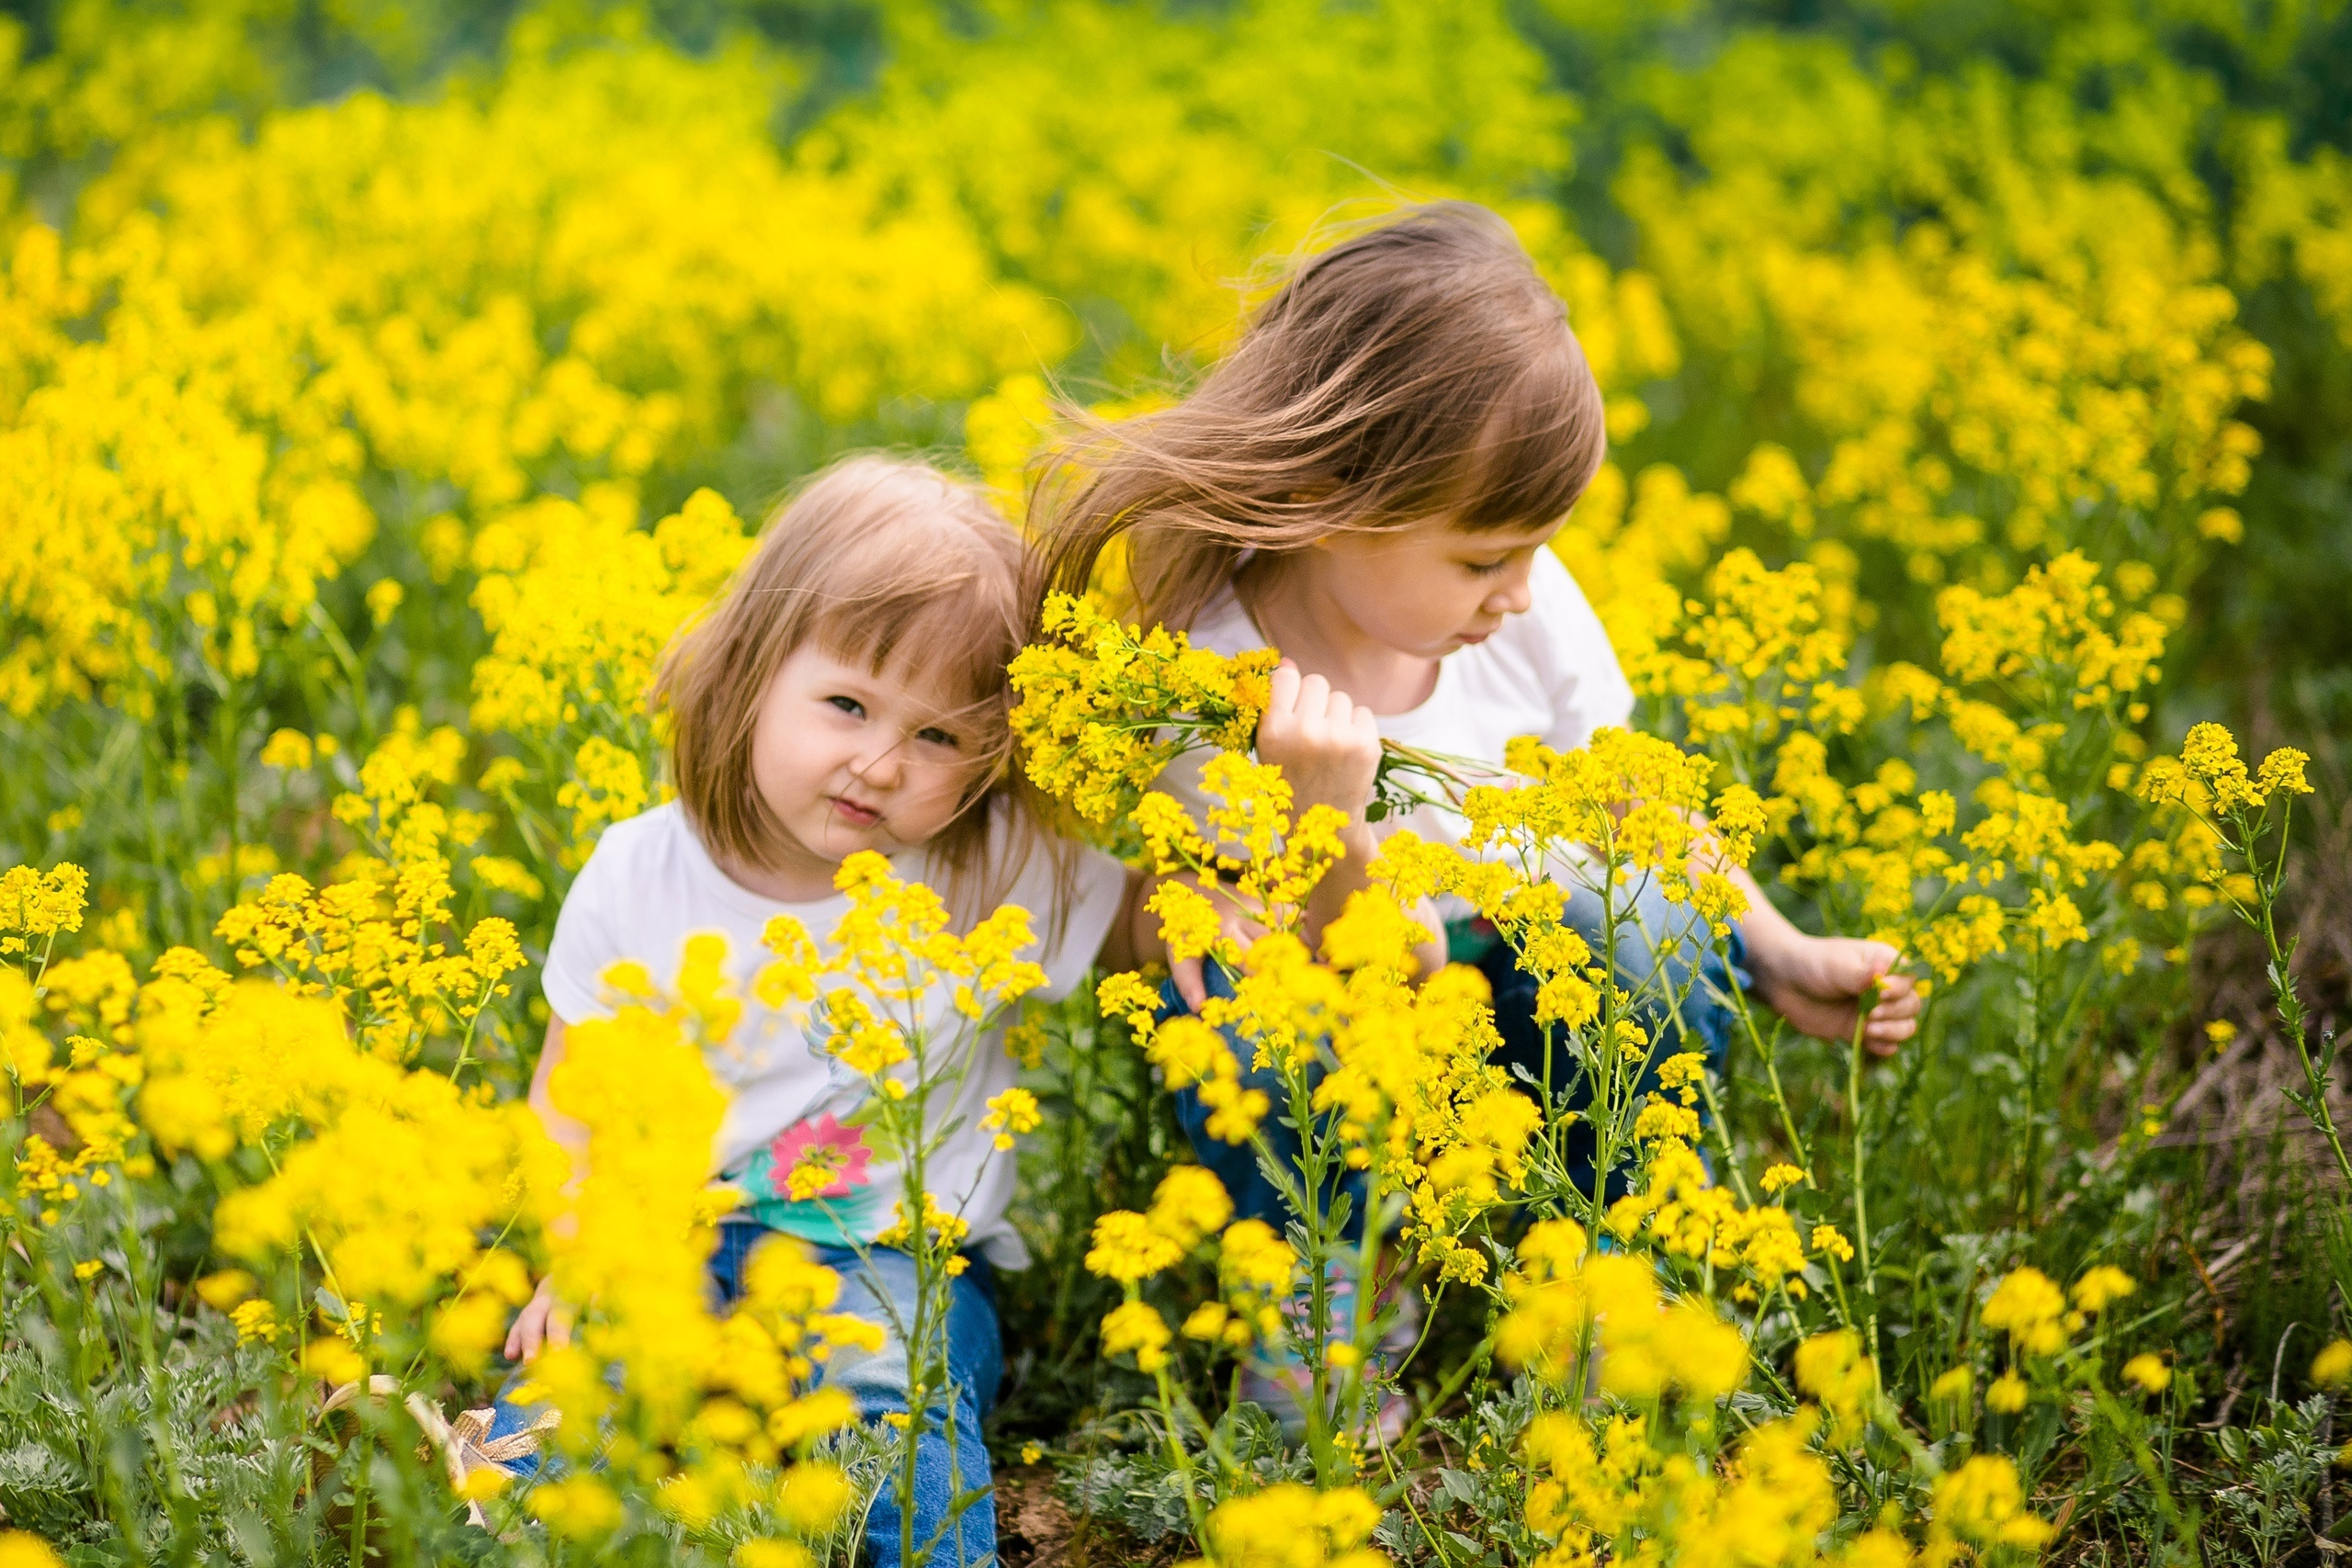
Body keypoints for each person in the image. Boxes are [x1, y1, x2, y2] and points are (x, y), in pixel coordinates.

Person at [1029, 201, 1922, 1339]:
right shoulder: (1204, 677)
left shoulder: (1526, 611)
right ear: (1323, 504)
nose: (1518, 591)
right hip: (1354, 988)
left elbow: (1636, 805)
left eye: (1535, 550)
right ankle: (1330, 1286)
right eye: (1483, 557)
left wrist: (1773, 942)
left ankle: (1603, 1263)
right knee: (1257, 1018)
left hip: (1518, 967)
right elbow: (1349, 964)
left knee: (1642, 915)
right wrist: (1325, 822)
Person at [497, 457, 1149, 1566]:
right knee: (544, 1428)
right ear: (752, 670)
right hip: (661, 1238)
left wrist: (1258, 848)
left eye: (939, 737)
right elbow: (565, 1108)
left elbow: (1154, 925)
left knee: (894, 1411)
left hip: (892, 1257)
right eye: (846, 704)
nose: (881, 764)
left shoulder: (985, 868)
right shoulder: (635, 874)